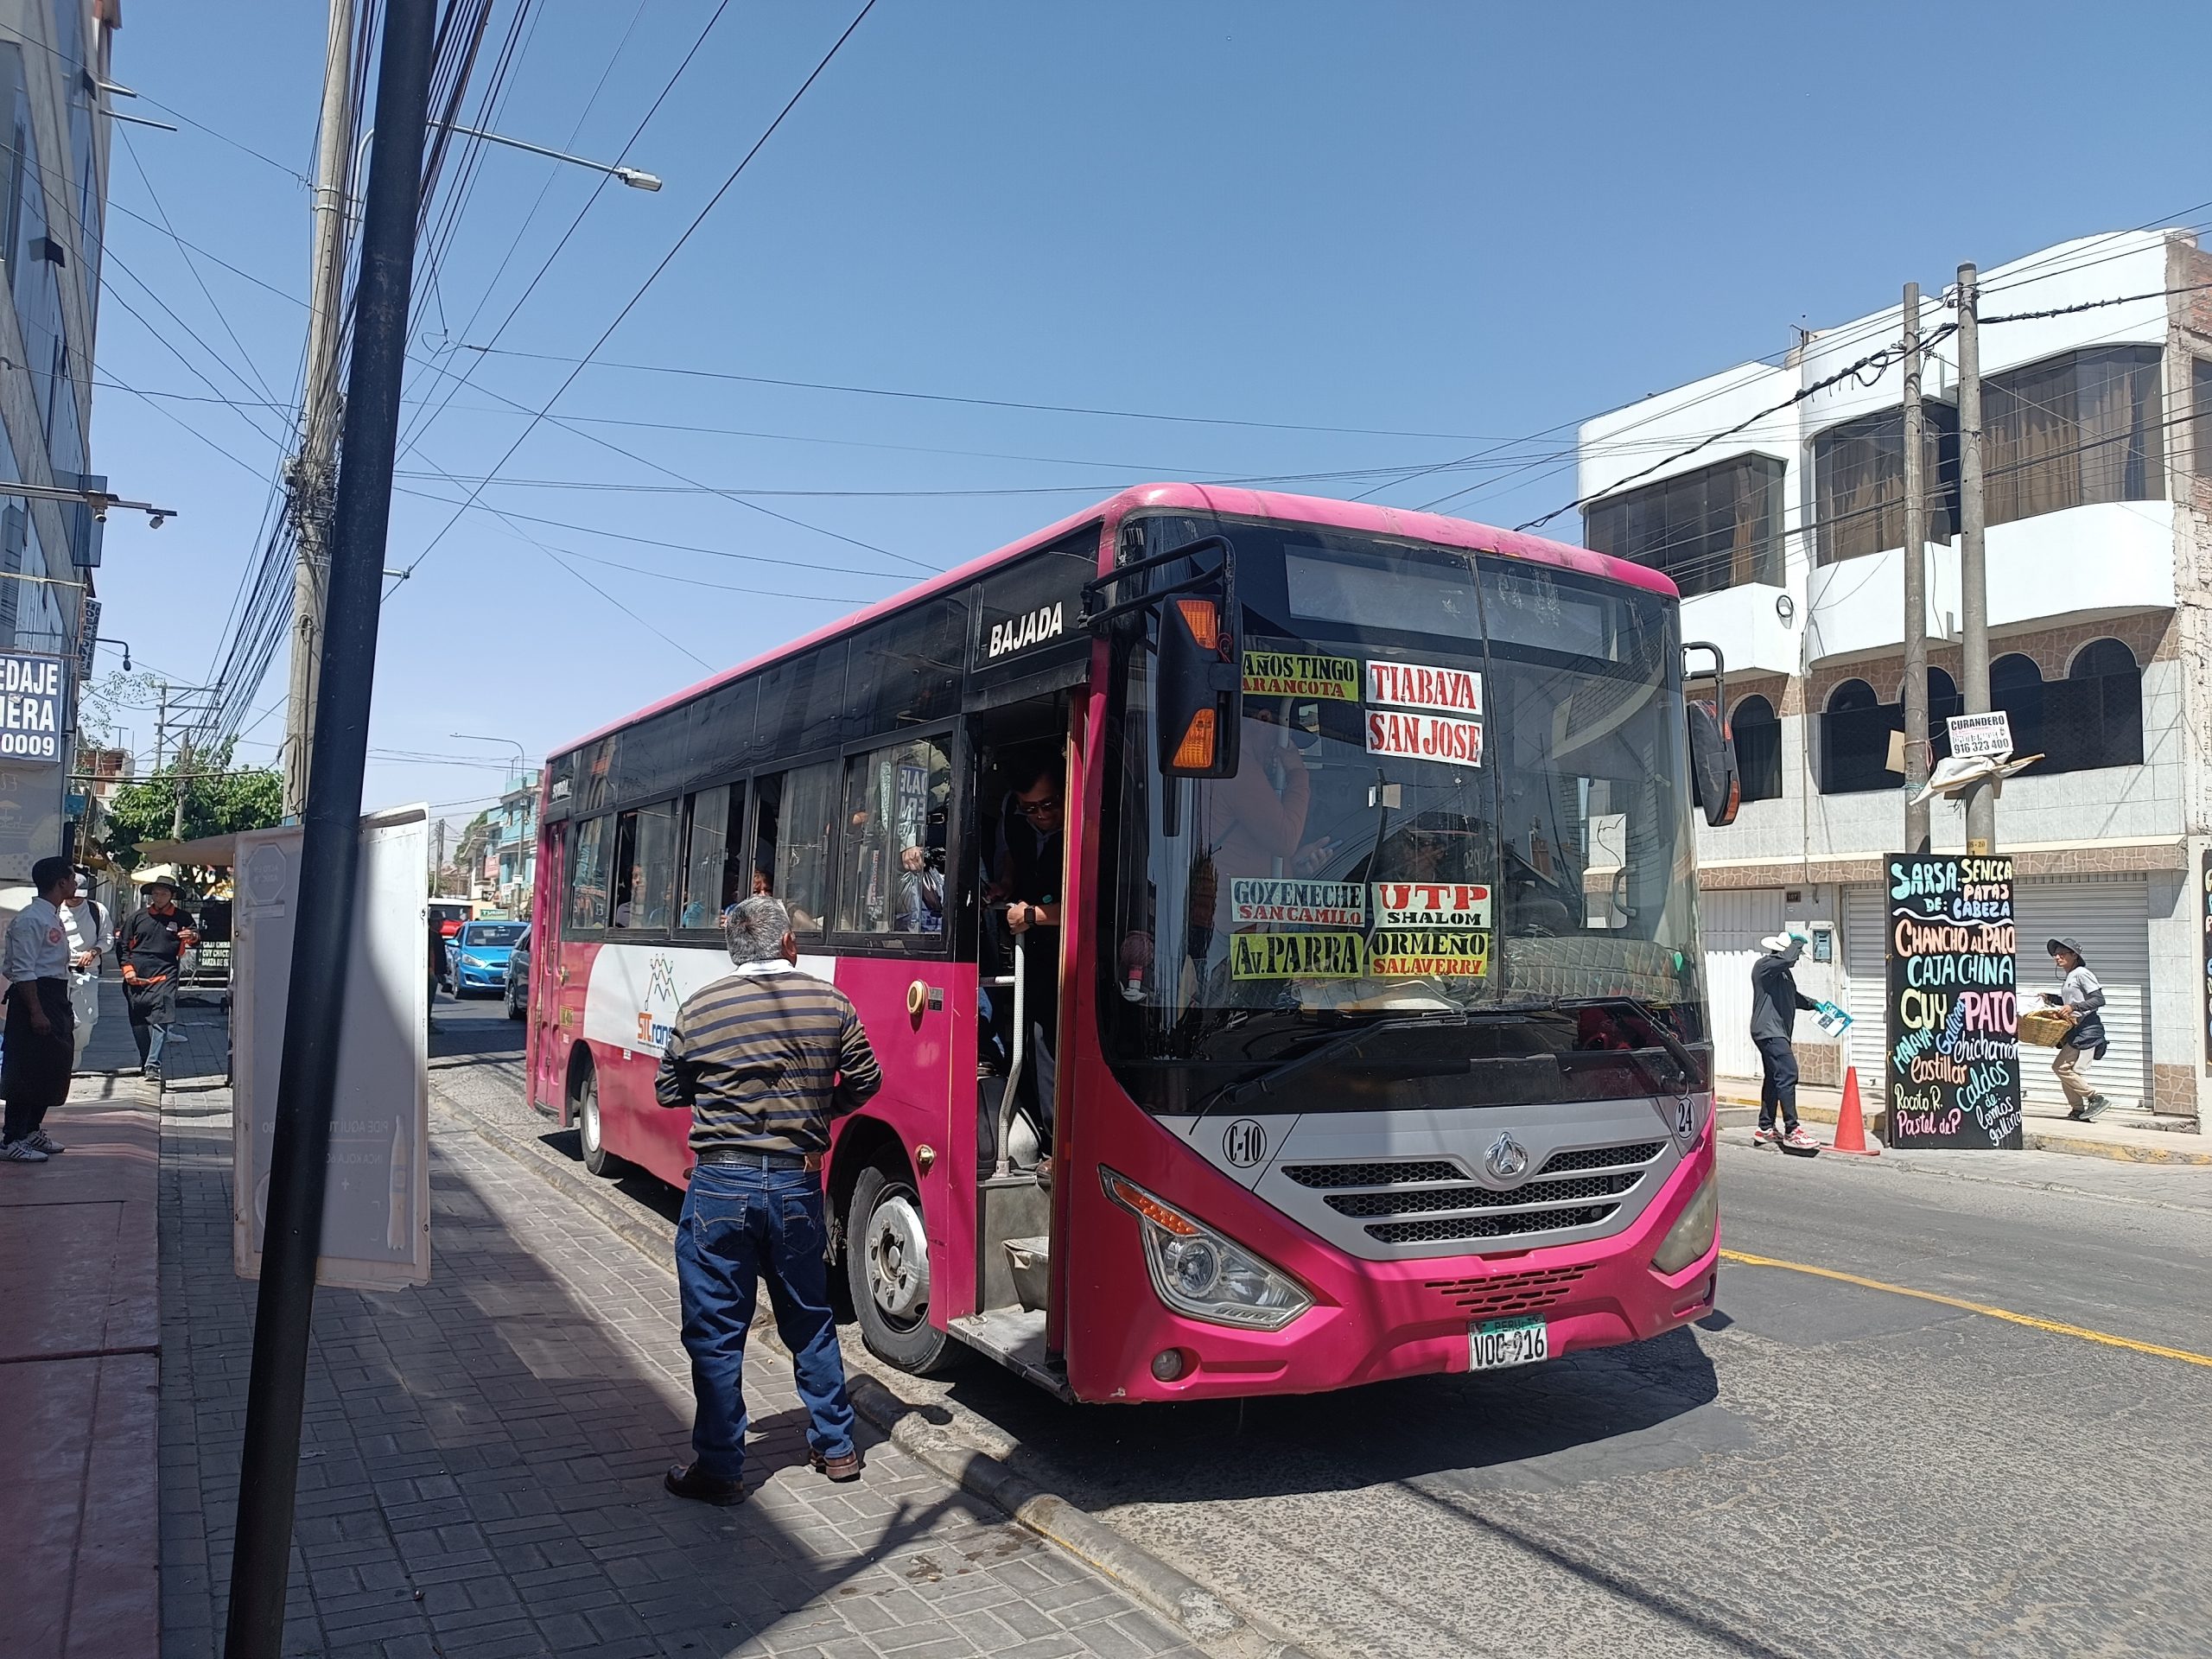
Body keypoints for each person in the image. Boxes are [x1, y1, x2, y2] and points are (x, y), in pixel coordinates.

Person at [654, 894, 882, 1505]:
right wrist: (817, 1113)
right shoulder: (831, 1003)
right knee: (809, 1317)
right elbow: (866, 1079)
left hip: (719, 1187)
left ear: (734, 951)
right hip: (795, 1184)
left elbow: (669, 1088)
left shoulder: (702, 1006)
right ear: (788, 944)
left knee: (715, 1330)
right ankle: (836, 1447)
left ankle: (722, 1467)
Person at [994, 755, 1066, 1152]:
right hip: (1036, 961)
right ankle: (1048, 1138)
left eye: (1049, 805)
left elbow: (1091, 906)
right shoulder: (1017, 820)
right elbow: (1013, 860)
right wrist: (1005, 886)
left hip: (1079, 964)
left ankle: (1063, 1146)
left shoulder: (1088, 829)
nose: (1040, 815)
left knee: (1056, 1048)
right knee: (1035, 1046)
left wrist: (1032, 915)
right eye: (1030, 808)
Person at [3, 857, 83, 1161]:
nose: (75, 884)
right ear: (60, 883)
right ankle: (12, 1138)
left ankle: (32, 1129)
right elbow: (22, 970)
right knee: (26, 1068)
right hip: (36, 996)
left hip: (56, 993)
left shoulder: (52, 916)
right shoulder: (31, 919)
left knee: (52, 1066)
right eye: (72, 878)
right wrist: (36, 1010)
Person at [118, 874, 197, 1083]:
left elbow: (195, 936)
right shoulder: (137, 917)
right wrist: (128, 970)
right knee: (138, 1019)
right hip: (137, 970)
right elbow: (123, 946)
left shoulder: (182, 917)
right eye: (155, 893)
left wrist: (192, 937)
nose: (158, 897)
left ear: (172, 896)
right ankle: (145, 1059)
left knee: (162, 1017)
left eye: (163, 893)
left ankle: (153, 1065)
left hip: (167, 970)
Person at [1749, 930, 1820, 1150]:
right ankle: (1792, 1130)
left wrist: (1814, 1004)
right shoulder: (1764, 966)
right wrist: (1798, 942)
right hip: (1769, 1032)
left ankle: (1765, 1127)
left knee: (1774, 1077)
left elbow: (1793, 997)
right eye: (1796, 954)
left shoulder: (1784, 976)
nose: (1797, 960)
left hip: (1778, 1032)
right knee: (1789, 1073)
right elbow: (1789, 958)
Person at [2042, 936, 2111, 1121]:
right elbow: (2071, 1000)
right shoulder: (2070, 977)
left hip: (2087, 1030)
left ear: (2074, 955)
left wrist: (2073, 1008)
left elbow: (2098, 999)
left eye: (2062, 954)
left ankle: (2095, 1098)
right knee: (2066, 1070)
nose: (2057, 958)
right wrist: (2052, 998)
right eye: (2055, 955)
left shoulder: (2081, 973)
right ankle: (2078, 1110)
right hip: (2076, 1031)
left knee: (2061, 1068)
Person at [60, 868, 113, 1069]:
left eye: (79, 896)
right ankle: (60, 1062)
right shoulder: (55, 909)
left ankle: (75, 1055)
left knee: (85, 1019)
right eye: (72, 896)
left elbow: (108, 938)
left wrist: (94, 951)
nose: (75, 899)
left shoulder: (97, 910)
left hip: (86, 972)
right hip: (58, 971)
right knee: (57, 1018)